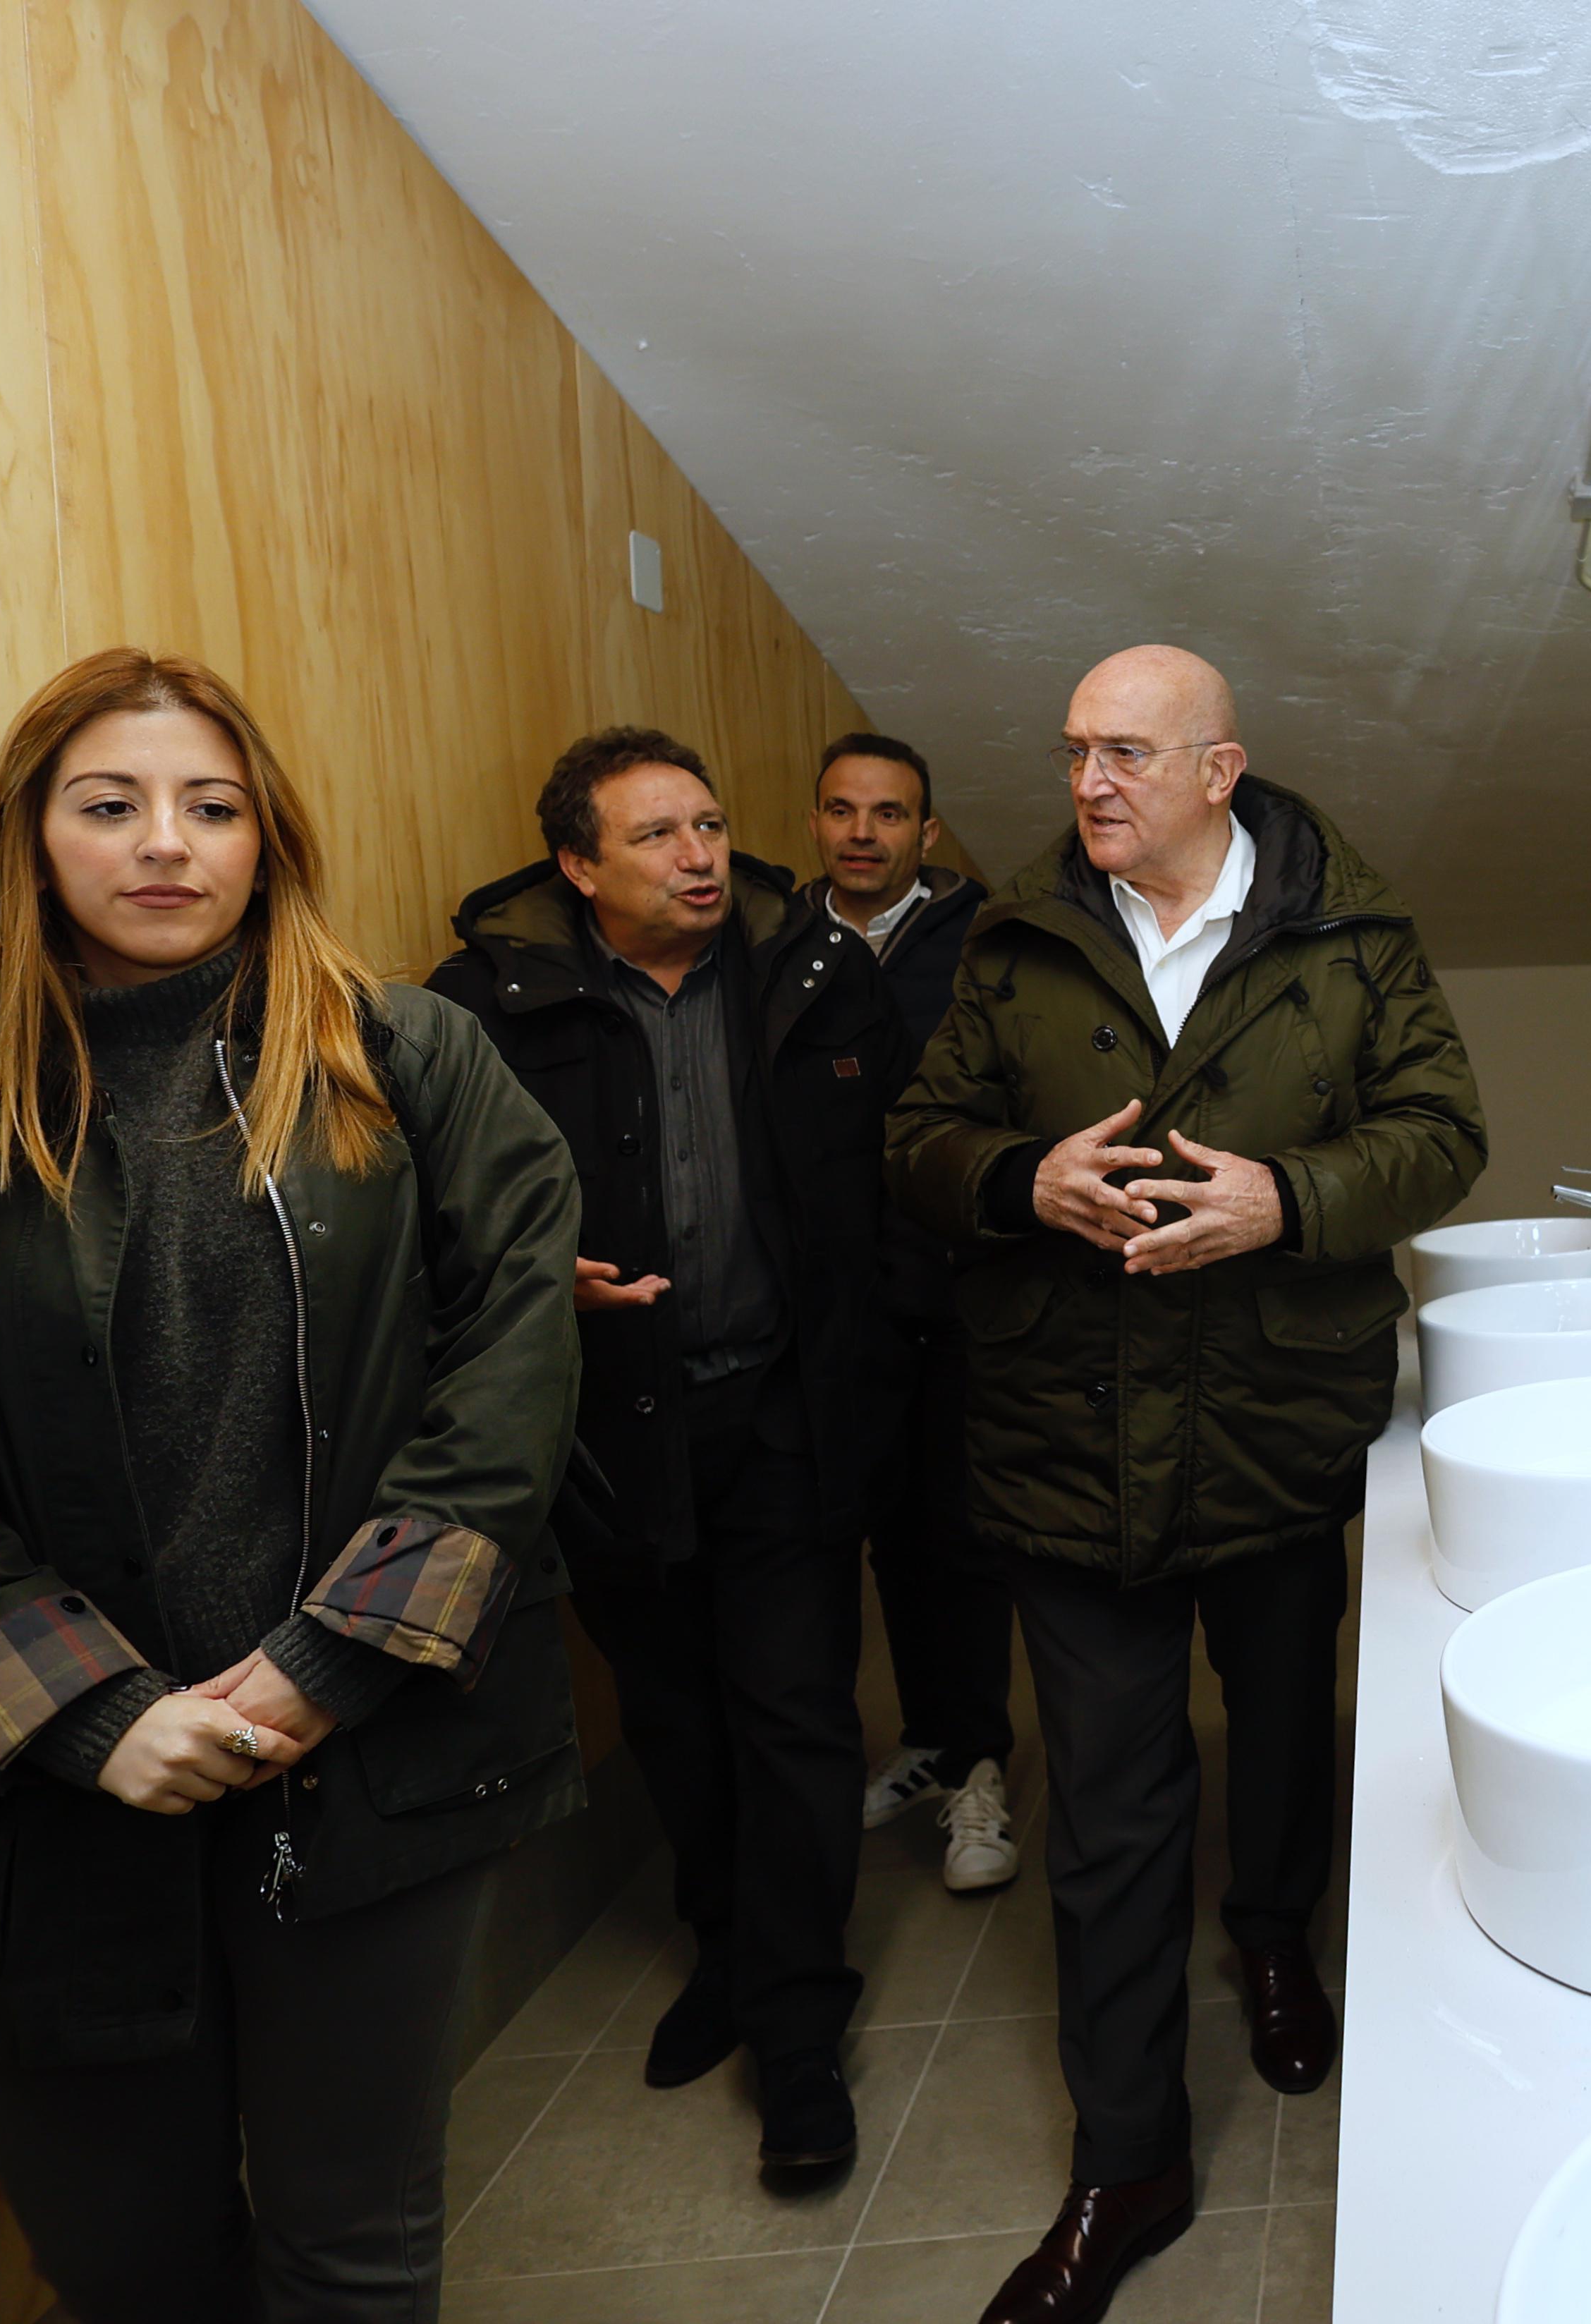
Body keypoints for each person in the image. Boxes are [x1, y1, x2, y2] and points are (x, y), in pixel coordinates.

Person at [0, 649, 584, 2323]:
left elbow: (510, 1367)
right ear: (32, 840)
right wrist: (90, 1712)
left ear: (267, 840)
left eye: (212, 806)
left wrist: (333, 1659)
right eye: (109, 804)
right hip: (57, 1803)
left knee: (351, 2254)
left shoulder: (405, 1062)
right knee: (130, 2271)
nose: (164, 843)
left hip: (367, 1763)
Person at [886, 645, 1485, 2323]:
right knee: (1109, 1810)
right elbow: (918, 1142)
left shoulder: (1352, 936)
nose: (1090, 782)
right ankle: (1128, 2157)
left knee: (1282, 1727)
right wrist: (1022, 1177)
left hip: (1273, 1425)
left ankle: (1275, 1934)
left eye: (1128, 754)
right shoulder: (1013, 939)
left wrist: (1288, 1200)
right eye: (1075, 751)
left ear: (1220, 769)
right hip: (1064, 1446)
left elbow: (1444, 1133)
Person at [428, 726, 907, 2171]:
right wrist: (533, 1279)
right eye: (656, 836)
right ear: (578, 867)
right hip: (608, 1427)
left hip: (783, 1411)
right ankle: (729, 1955)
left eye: (706, 824)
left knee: (794, 1712)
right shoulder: (483, 1007)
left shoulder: (814, 971)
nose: (700, 856)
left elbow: (895, 1170)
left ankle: (799, 2028)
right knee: (678, 1719)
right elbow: (421, 1210)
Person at [798, 732, 1019, 1892]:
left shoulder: (986, 943)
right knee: (871, 1530)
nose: (862, 833)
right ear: (816, 822)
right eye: (842, 810)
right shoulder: (775, 947)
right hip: (830, 1303)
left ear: (926, 832)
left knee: (962, 1536)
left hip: (957, 1294)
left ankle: (980, 1764)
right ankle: (928, 1743)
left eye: (888, 814)